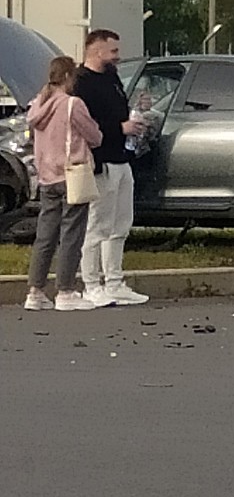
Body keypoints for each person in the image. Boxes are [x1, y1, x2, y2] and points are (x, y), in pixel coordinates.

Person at [74, 28, 149, 307]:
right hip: (100, 160)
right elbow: (84, 125)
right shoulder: (81, 83)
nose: (118, 56)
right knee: (97, 225)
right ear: (96, 51)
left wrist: (133, 122)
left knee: (121, 224)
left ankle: (114, 281)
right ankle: (91, 283)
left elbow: (116, 112)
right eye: (113, 51)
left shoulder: (111, 77)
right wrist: (120, 127)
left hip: (121, 157)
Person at [24, 56, 104, 312]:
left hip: (47, 176)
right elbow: (95, 136)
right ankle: (66, 290)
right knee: (71, 234)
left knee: (45, 236)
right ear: (69, 77)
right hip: (73, 174)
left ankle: (35, 291)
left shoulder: (38, 104)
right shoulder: (72, 104)